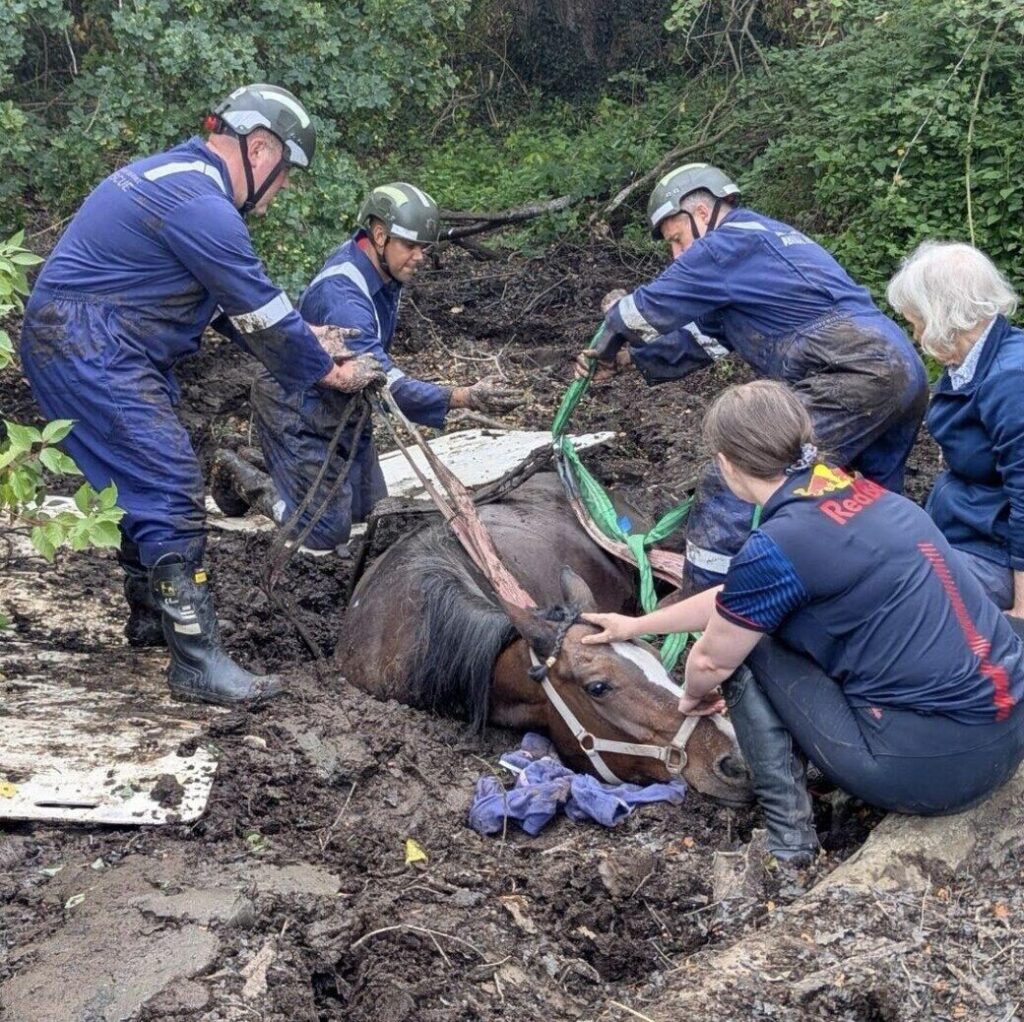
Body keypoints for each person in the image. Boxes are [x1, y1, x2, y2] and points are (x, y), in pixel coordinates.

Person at [19, 84, 384, 707]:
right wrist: (328, 372)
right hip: (93, 343)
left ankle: (152, 622)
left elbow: (228, 308)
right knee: (167, 480)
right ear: (261, 150)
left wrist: (309, 338)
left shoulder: (177, 180)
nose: (284, 191)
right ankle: (195, 660)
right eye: (288, 176)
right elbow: (260, 312)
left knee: (141, 480)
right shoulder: (202, 204)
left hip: (94, 336)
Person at [579, 380, 1024, 863]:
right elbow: (739, 595)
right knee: (757, 623)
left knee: (747, 651)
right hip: (1006, 734)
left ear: (726, 463)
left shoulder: (778, 543)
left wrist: (691, 695)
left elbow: (710, 659)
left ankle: (789, 843)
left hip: (930, 773)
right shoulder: (859, 494)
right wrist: (637, 626)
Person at [577, 163, 928, 592]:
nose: (677, 255)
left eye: (677, 240)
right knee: (867, 500)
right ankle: (896, 599)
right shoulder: (755, 255)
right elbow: (704, 340)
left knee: (738, 477)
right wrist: (629, 359)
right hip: (897, 370)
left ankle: (705, 607)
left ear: (702, 214)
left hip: (855, 371)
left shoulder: (730, 242)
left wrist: (614, 321)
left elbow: (642, 310)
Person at [210, 182, 521, 553]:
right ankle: (242, 475)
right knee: (326, 531)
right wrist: (463, 397)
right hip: (296, 407)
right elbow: (391, 387)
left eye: (425, 247)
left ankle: (275, 465)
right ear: (378, 235)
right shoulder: (344, 298)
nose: (420, 256)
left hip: (343, 407)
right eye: (411, 245)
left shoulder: (381, 268)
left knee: (373, 516)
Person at [887, 241, 1024, 616]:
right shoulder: (974, 362)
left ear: (942, 316)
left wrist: (1022, 613)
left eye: (916, 322)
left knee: (889, 601)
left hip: (991, 550)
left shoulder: (1010, 379)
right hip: (962, 526)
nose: (915, 336)